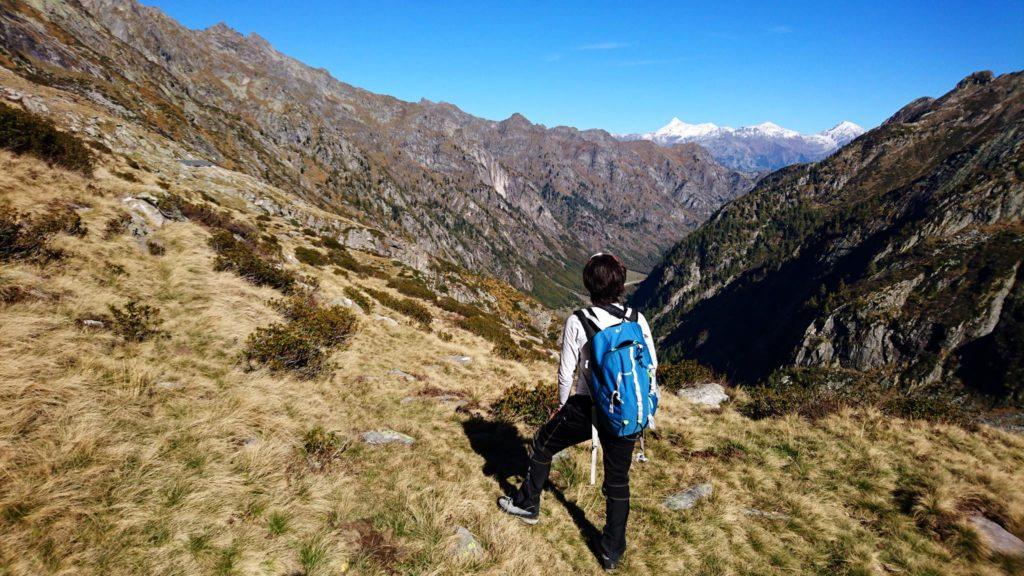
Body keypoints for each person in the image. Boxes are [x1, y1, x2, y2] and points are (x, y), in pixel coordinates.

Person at [497, 252, 658, 571]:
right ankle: (612, 551)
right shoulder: (637, 318)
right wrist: (646, 407)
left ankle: (528, 504)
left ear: (589, 285)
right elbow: (651, 365)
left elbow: (565, 373)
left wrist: (560, 407)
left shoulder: (579, 320)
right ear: (621, 284)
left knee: (543, 444)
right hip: (627, 411)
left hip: (587, 406)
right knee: (617, 480)